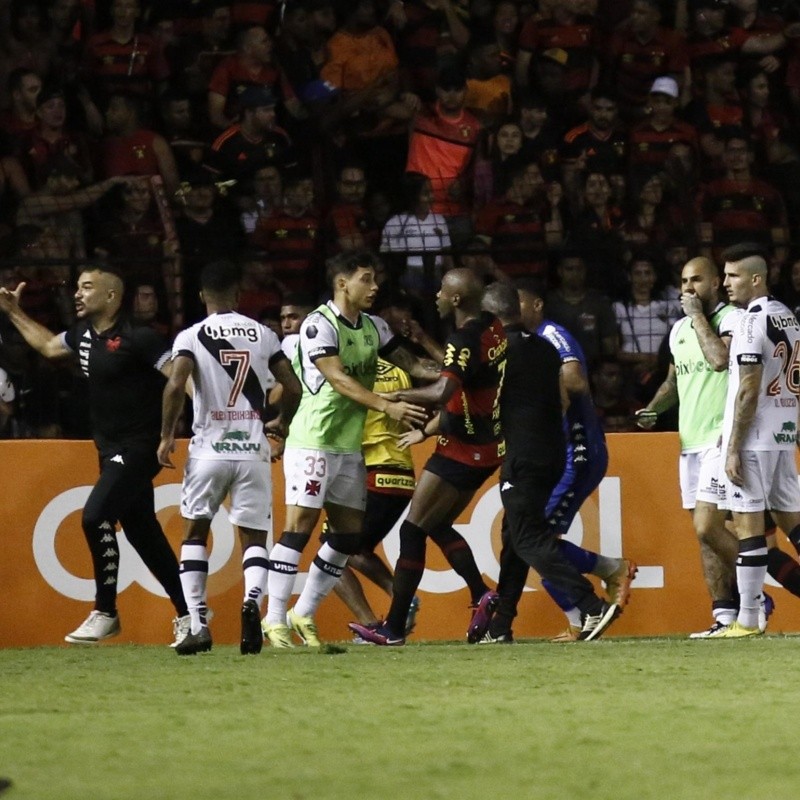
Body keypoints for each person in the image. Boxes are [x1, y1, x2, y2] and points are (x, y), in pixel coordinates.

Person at [0, 266, 189, 644]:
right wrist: (14, 312)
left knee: (94, 515)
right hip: (108, 448)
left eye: (87, 287)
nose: (77, 294)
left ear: (111, 297)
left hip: (140, 447)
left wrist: (172, 432)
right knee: (143, 533)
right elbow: (49, 347)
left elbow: (180, 380)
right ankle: (190, 614)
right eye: (78, 287)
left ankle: (106, 611)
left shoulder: (141, 339)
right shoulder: (83, 335)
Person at [262, 250, 429, 648]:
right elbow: (337, 379)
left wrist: (459, 369)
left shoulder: (374, 327)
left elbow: (414, 366)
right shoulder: (318, 325)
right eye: (366, 279)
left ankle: (302, 612)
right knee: (299, 530)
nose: (375, 287)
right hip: (313, 441)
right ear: (342, 283)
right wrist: (388, 404)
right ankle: (274, 620)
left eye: (375, 280)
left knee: (345, 538)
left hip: (348, 446)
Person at [350, 268, 506, 646]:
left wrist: (396, 398)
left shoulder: (463, 336)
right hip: (488, 445)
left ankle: (394, 627)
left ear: (455, 300)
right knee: (435, 525)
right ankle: (480, 593)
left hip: (461, 447)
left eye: (441, 290)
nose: (435, 294)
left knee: (412, 529)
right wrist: (423, 340)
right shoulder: (491, 327)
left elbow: (441, 390)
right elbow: (462, 368)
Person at [158, 260, 302, 655]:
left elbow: (174, 384)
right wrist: (280, 423)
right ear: (239, 295)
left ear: (202, 295)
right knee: (254, 537)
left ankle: (198, 623)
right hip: (252, 450)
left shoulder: (191, 335)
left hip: (208, 449)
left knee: (194, 533)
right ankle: (251, 602)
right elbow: (293, 385)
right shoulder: (264, 334)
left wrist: (167, 434)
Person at [484, 277, 636, 643]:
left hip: (575, 450)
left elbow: (574, 381)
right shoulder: (527, 345)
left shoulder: (552, 337)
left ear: (536, 305)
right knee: (529, 539)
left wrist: (543, 417)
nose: (512, 312)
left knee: (533, 539)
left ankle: (608, 574)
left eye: (517, 303)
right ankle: (575, 615)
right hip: (557, 452)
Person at [636, 256, 743, 636]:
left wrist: (699, 316)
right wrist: (652, 409)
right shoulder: (679, 329)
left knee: (712, 528)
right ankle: (724, 616)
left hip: (722, 439)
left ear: (716, 283)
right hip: (690, 443)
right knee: (708, 539)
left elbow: (719, 360)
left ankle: (757, 597)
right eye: (683, 281)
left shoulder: (731, 319)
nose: (688, 289)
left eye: (697, 280)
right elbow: (674, 381)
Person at [715, 244, 800, 637]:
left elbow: (748, 390)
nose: (726, 283)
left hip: (754, 438)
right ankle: (749, 618)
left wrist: (732, 446)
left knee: (748, 529)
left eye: (733, 276)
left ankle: (748, 620)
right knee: (793, 524)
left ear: (756, 278)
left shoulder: (748, 322)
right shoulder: (788, 318)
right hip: (784, 434)